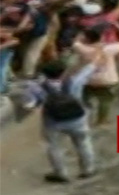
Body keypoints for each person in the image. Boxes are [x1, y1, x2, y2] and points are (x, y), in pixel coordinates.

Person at [23, 54, 104, 182]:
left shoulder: (35, 87)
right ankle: (88, 169)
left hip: (53, 121)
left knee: (54, 147)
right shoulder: (74, 81)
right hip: (77, 119)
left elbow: (29, 105)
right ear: (62, 72)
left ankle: (60, 173)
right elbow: (90, 68)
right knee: (83, 143)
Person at [73, 22, 119, 125]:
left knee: (85, 98)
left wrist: (85, 30)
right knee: (105, 101)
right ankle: (102, 120)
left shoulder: (81, 48)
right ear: (101, 37)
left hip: (87, 79)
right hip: (107, 79)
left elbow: (76, 41)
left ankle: (85, 116)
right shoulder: (109, 49)